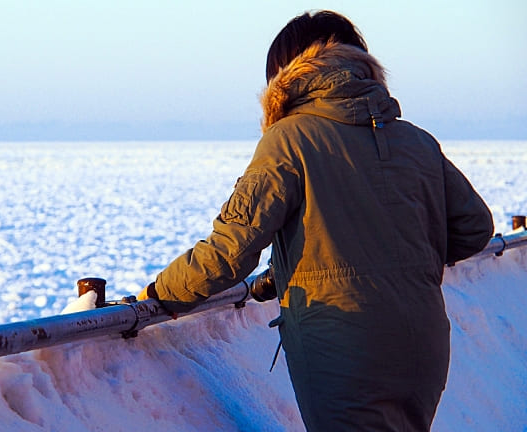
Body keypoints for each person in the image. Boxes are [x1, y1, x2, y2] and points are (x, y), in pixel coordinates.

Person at [137, 10, 493, 431]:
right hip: (423, 342)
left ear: (284, 76)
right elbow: (474, 228)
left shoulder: (288, 139)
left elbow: (229, 252)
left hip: (344, 346)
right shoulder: (416, 140)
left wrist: (155, 295)